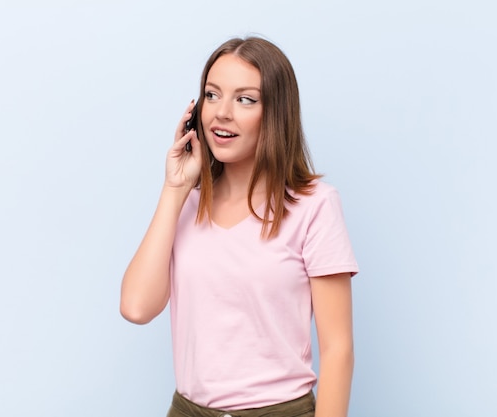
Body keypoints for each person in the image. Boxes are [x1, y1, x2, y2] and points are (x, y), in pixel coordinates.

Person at [120, 36, 359, 417]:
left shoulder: (314, 205)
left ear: (275, 112)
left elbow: (338, 350)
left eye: (245, 99)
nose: (222, 113)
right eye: (212, 95)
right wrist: (175, 189)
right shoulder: (187, 204)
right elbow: (136, 307)